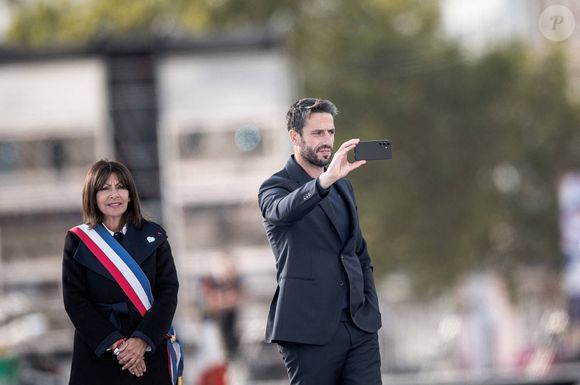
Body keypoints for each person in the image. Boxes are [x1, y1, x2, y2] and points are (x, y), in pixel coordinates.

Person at [258, 98, 382, 385]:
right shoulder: (274, 186)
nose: (327, 140)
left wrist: (369, 305)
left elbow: (358, 252)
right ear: (295, 136)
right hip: (307, 331)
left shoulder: (344, 186)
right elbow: (283, 210)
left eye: (330, 132)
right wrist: (324, 182)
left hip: (359, 325)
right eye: (317, 133)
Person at [62, 159, 181, 385]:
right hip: (98, 353)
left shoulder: (154, 236)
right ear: (92, 196)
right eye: (105, 188)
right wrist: (117, 345)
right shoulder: (78, 241)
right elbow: (74, 300)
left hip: (147, 353)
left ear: (130, 194)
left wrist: (140, 341)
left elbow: (168, 292)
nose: (114, 194)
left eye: (120, 187)